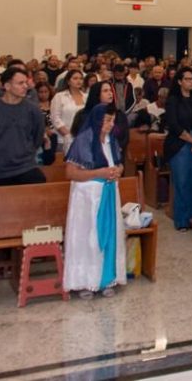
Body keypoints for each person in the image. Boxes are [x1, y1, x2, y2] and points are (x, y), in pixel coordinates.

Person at [64, 104, 126, 299]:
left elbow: (119, 163)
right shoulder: (84, 139)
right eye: (107, 120)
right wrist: (99, 173)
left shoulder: (111, 140)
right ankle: (84, 281)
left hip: (108, 193)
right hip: (87, 197)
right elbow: (70, 172)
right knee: (87, 237)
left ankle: (107, 279)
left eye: (113, 120)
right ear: (97, 120)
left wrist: (118, 171)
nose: (111, 124)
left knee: (109, 236)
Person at [0, 67, 45, 186]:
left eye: (26, 82)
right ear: (7, 86)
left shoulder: (34, 110)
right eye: (20, 83)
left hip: (26, 166)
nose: (25, 86)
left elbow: (37, 138)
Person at [163, 67, 192, 231]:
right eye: (187, 79)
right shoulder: (173, 100)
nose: (191, 82)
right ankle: (181, 219)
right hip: (180, 143)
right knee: (182, 182)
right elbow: (173, 124)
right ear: (179, 81)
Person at [51, 69, 86, 154]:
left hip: (83, 138)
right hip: (63, 139)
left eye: (81, 78)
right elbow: (55, 118)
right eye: (75, 78)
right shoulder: (59, 96)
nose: (79, 81)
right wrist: (68, 134)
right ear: (68, 81)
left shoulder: (86, 97)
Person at [36, 83, 58, 165]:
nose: (43, 94)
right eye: (41, 92)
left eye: (46, 92)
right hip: (41, 136)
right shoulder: (34, 106)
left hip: (55, 134)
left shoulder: (54, 104)